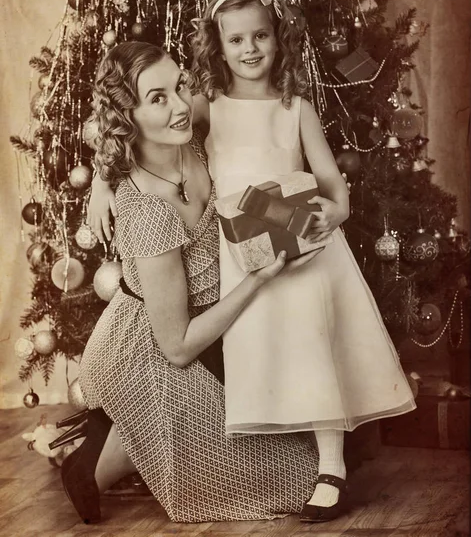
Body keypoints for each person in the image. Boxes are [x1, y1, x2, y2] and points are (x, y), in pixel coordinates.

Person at [89, 0, 416, 523]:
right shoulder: (205, 106)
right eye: (236, 39)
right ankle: (261, 437)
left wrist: (322, 220)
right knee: (256, 346)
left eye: (260, 35)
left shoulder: (296, 109)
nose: (250, 49)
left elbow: (337, 192)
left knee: (311, 336)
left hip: (299, 246)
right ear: (218, 46)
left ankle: (330, 464)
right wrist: (103, 183)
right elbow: (126, 129)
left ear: (278, 39)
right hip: (239, 257)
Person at [64, 40, 321, 526]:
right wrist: (260, 279)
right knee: (299, 480)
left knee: (325, 458)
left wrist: (99, 179)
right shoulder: (144, 211)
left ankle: (120, 433)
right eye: (157, 98)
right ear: (127, 116)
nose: (181, 105)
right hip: (151, 350)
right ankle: (91, 461)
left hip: (212, 327)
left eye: (179, 85)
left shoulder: (194, 132)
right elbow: (177, 346)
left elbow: (227, 103)